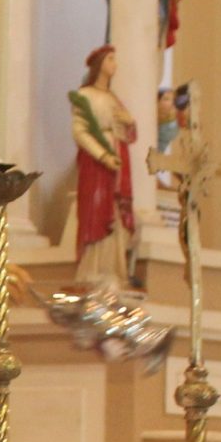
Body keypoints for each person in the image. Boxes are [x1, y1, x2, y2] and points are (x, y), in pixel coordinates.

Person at [70, 46, 141, 289]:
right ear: (99, 63)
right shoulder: (85, 95)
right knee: (96, 210)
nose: (115, 64)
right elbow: (80, 131)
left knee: (116, 213)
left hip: (118, 161)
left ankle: (114, 270)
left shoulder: (113, 98)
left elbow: (129, 134)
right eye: (110, 59)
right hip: (96, 165)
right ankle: (93, 269)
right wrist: (102, 155)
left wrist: (130, 123)